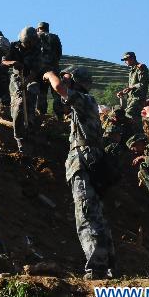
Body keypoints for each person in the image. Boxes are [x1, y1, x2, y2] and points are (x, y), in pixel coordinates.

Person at [42, 66, 115, 280]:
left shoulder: (85, 100)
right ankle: (108, 265)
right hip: (92, 160)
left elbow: (58, 87)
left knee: (86, 213)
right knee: (97, 213)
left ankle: (97, 268)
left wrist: (49, 74)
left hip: (83, 161)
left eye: (68, 79)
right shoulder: (84, 105)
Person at [2, 27, 43, 154]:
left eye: (32, 42)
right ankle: (19, 137)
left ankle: (30, 125)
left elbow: (35, 70)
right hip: (16, 78)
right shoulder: (13, 47)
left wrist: (26, 83)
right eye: (27, 42)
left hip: (30, 78)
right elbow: (3, 61)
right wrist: (13, 62)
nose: (30, 45)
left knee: (32, 94)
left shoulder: (37, 50)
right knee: (19, 104)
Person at [36, 22, 64, 121]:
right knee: (56, 93)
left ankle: (41, 114)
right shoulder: (54, 37)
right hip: (54, 69)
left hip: (39, 69)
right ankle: (59, 116)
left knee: (41, 93)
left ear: (38, 28)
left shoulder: (35, 37)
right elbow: (59, 53)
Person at [117, 52, 148, 125]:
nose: (125, 62)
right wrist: (123, 92)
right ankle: (139, 134)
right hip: (131, 99)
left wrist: (130, 88)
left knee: (128, 113)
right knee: (136, 118)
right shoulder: (131, 71)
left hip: (138, 98)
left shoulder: (141, 67)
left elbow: (142, 84)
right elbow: (132, 86)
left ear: (132, 58)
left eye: (126, 59)